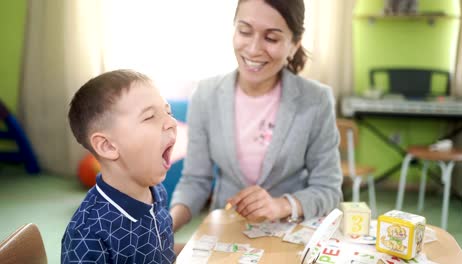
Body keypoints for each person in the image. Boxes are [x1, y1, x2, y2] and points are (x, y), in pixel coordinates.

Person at [170, 0, 342, 232]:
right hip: (228, 231)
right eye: (244, 31)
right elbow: (195, 181)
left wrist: (280, 205)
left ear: (293, 45)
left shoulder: (316, 100)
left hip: (289, 234)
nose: (252, 49)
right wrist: (166, 227)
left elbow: (328, 188)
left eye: (271, 38)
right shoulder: (205, 95)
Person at [62, 70, 177, 263]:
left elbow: (162, 252)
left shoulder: (157, 192)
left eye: (168, 112)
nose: (171, 122)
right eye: (150, 117)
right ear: (107, 146)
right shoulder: (88, 235)